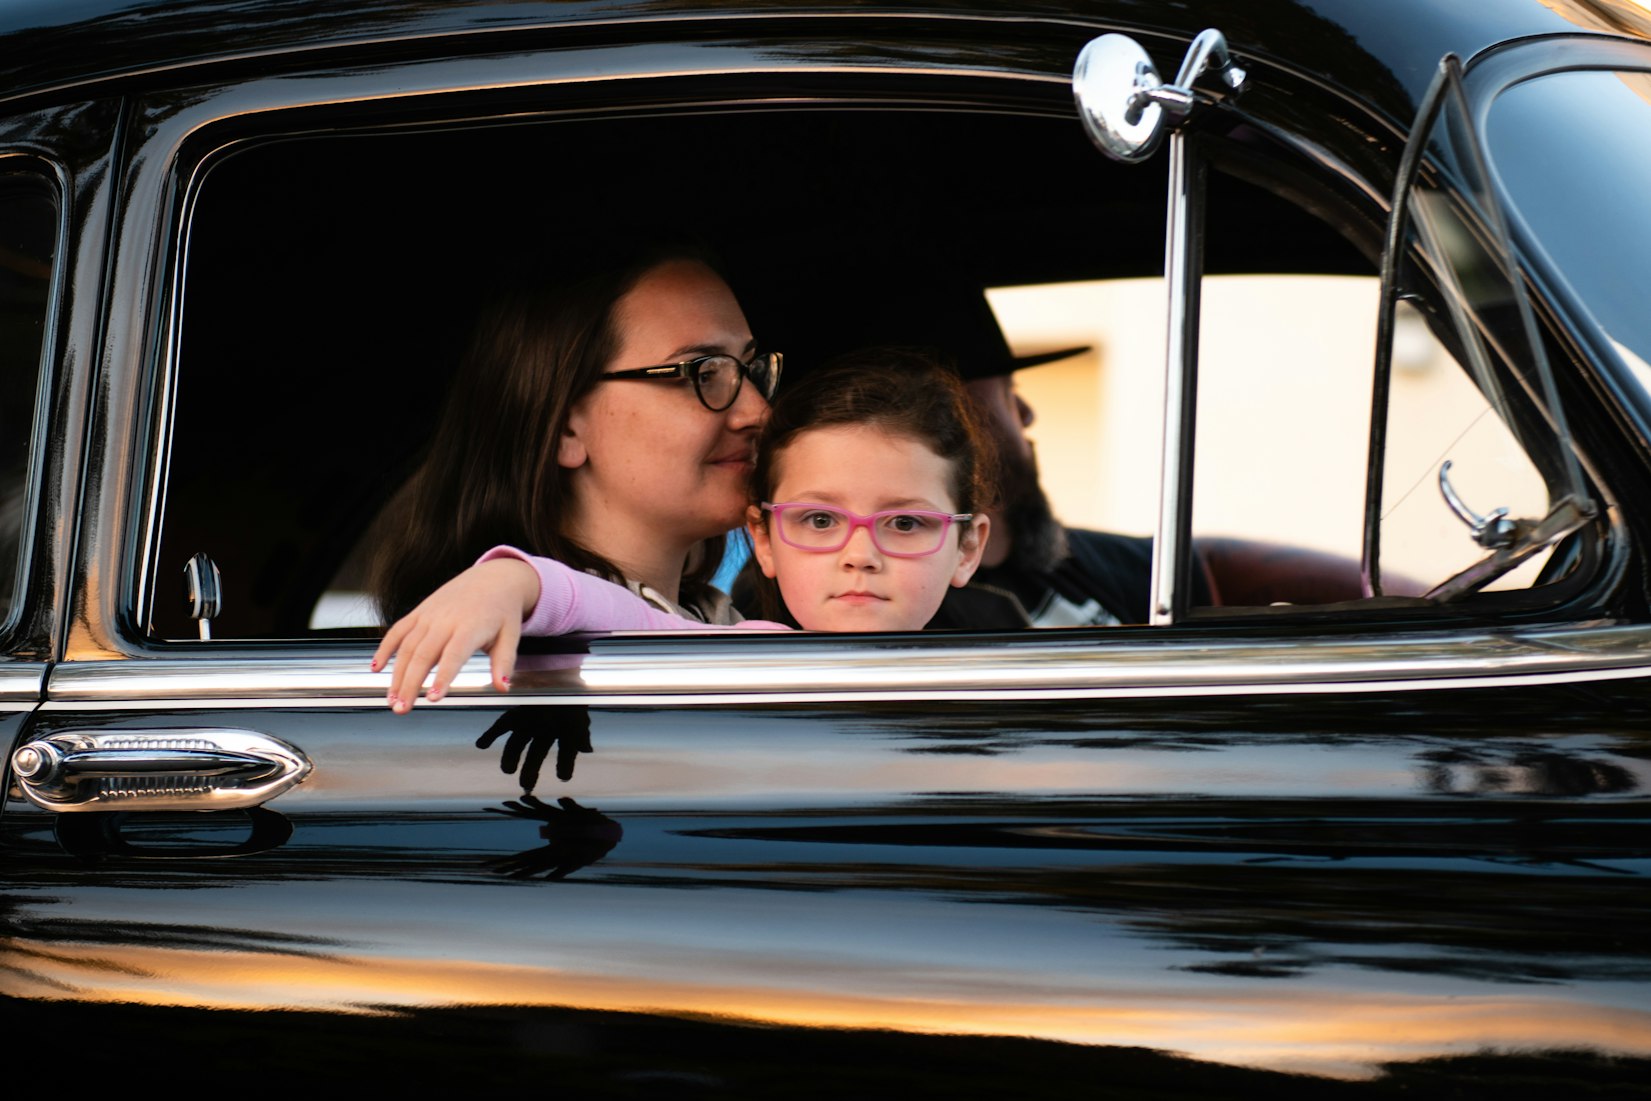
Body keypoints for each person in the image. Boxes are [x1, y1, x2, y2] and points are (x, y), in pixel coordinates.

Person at [373, 351, 994, 709]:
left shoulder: (1008, 684)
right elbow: (621, 611)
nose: (861, 554)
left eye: (906, 522)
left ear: (968, 547)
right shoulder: (745, 654)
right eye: (821, 519)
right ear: (764, 540)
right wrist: (514, 580)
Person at [372, 236, 780, 630]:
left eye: (747, 368)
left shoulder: (730, 623)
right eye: (704, 372)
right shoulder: (516, 663)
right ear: (566, 428)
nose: (758, 412)